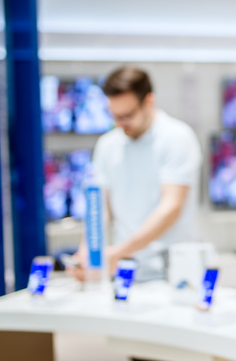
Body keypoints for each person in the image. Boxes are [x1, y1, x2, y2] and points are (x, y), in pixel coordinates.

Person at [68, 65, 203, 282]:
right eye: (115, 116)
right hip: (126, 270)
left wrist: (120, 252)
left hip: (172, 272)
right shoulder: (107, 145)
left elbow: (171, 207)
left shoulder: (177, 138)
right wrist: (86, 254)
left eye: (128, 115)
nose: (120, 123)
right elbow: (101, 209)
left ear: (149, 101)